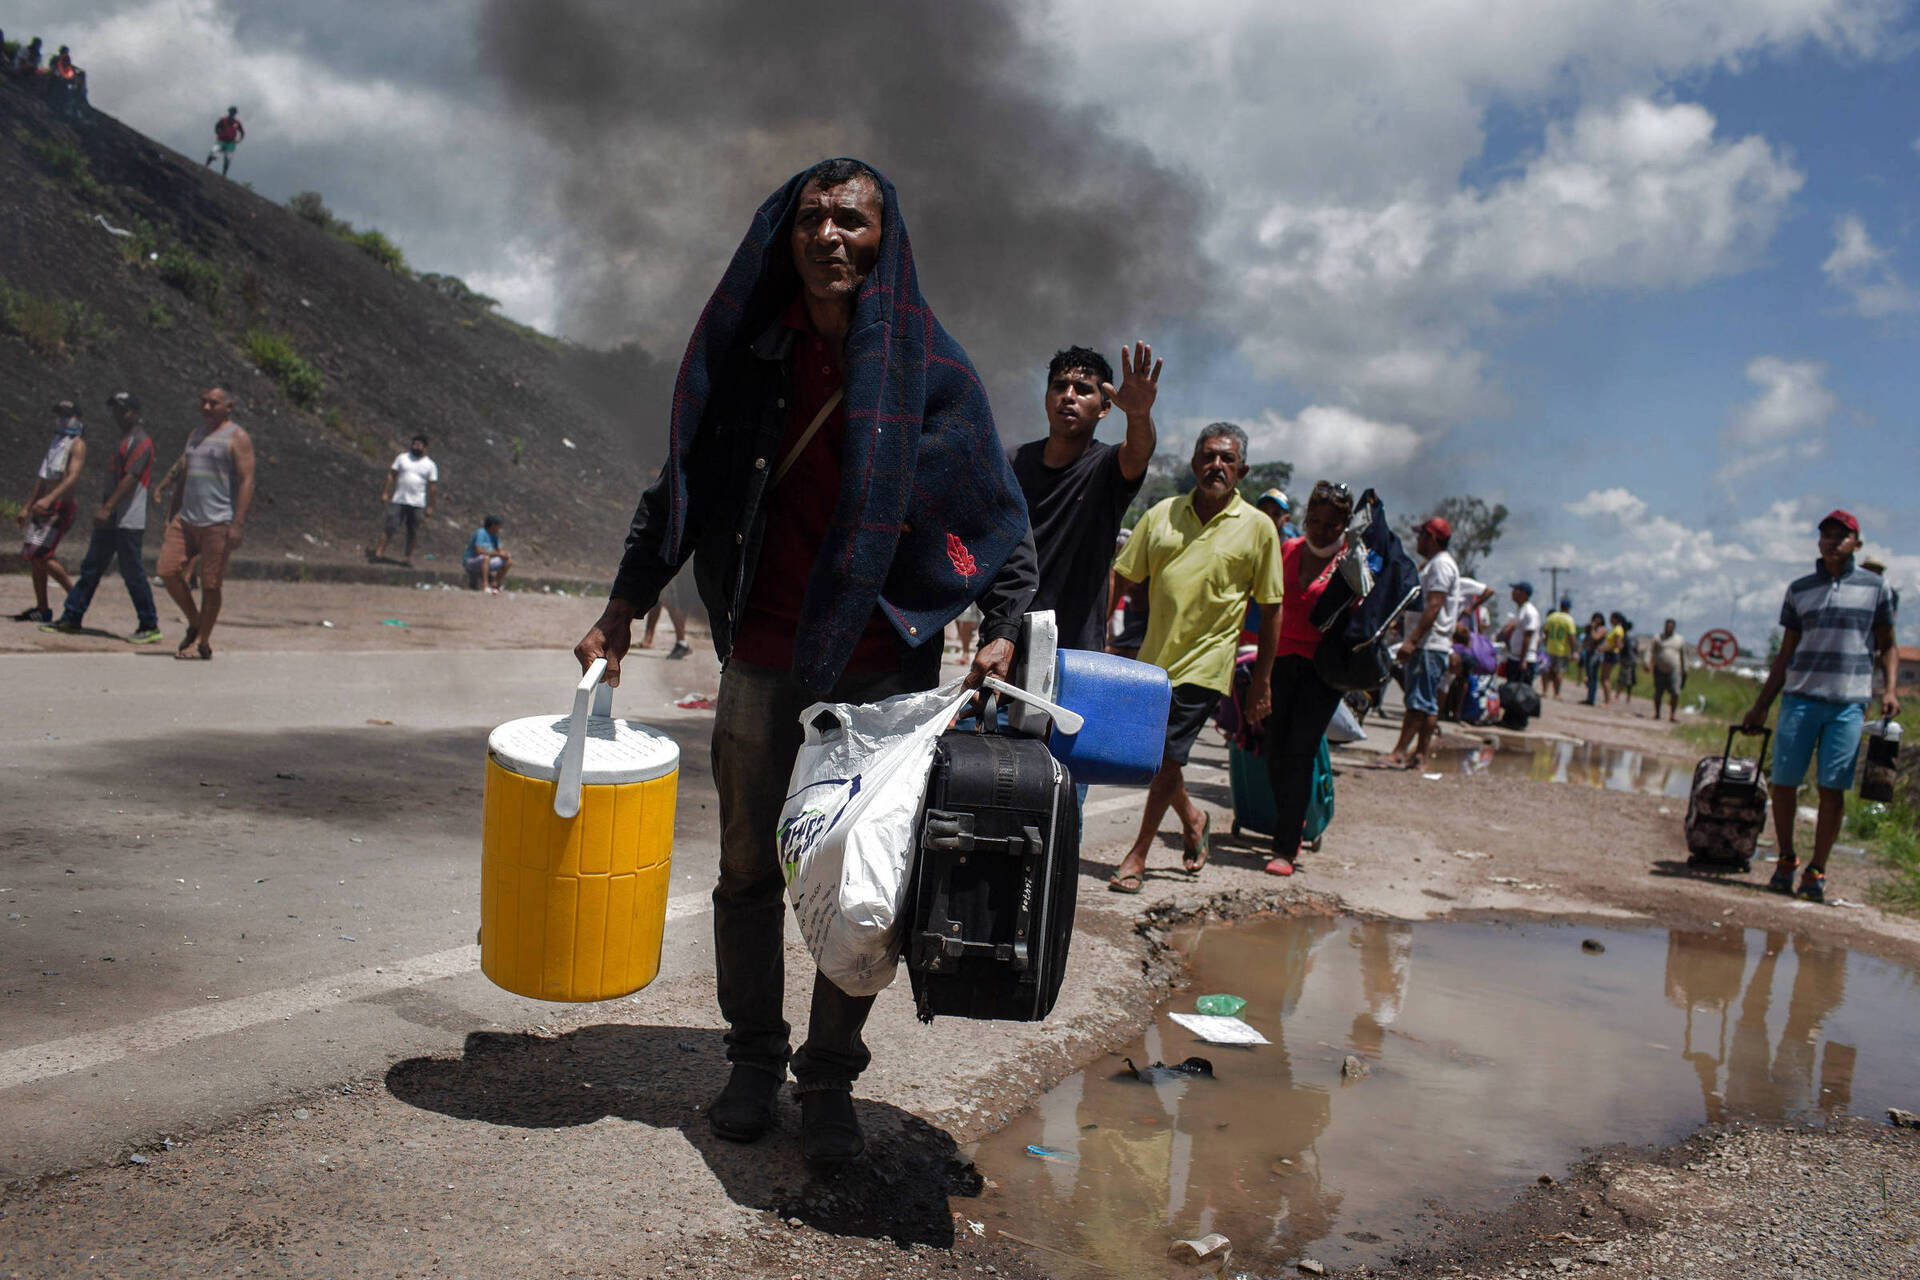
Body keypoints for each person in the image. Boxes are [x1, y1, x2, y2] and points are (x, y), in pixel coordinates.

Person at [570, 158, 1034, 1164]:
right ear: (786, 239)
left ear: (885, 238)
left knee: (858, 888)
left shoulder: (934, 372)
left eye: (853, 222)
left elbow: (1002, 519)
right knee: (748, 873)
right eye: (813, 220)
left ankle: (825, 1081)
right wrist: (621, 606)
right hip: (763, 659)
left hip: (881, 679)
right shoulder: (756, 359)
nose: (832, 237)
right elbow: (679, 491)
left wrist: (1000, 624)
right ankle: (751, 1058)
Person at [1106, 423, 1284, 891]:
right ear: (1193, 463)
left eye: (1226, 459)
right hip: (1152, 663)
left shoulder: (1259, 528)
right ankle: (1193, 818)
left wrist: (1262, 681)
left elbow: (1271, 611)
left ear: (1241, 469)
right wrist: (1101, 633)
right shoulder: (1162, 514)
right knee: (1158, 758)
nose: (1216, 466)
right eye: (1208, 457)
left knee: (1166, 755)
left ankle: (1138, 853)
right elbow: (1122, 577)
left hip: (1209, 663)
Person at [1744, 510, 1899, 904]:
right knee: (1783, 784)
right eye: (1826, 536)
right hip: (1799, 698)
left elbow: (1888, 644)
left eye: (1841, 536)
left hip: (1849, 703)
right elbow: (1786, 652)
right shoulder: (1800, 590)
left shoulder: (1877, 589)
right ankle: (1785, 859)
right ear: (1819, 544)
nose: (1832, 542)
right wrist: (1763, 704)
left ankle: (1816, 870)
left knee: (1833, 788)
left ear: (1856, 544)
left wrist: (1890, 690)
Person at [1009, 342, 1159, 653]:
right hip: (1006, 638)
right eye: (1060, 386)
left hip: (1074, 648)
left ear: (1105, 408)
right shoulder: (1011, 464)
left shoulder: (1107, 468)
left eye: (1082, 389)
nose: (1068, 396)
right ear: (1047, 398)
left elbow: (1138, 453)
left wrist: (1139, 415)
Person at [1259, 480, 1355, 876]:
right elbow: (1267, 607)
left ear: (1344, 525)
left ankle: (1286, 846)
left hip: (1323, 670)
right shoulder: (1287, 551)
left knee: (1299, 751)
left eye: (1330, 525)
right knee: (1272, 749)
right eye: (1313, 521)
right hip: (1280, 661)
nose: (1320, 530)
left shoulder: (1352, 564)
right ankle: (1294, 820)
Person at [41, 393, 162, 642]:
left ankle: (149, 624)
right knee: (92, 567)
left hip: (127, 518)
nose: (119, 414)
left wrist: (107, 507)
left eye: (125, 410)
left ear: (136, 413)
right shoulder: (125, 440)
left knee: (133, 572)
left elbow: (130, 478)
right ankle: (72, 616)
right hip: (112, 518)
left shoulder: (141, 441)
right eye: (116, 409)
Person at [158, 387, 254, 660]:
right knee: (166, 570)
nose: (207, 407)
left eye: (214, 403)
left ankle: (201, 640)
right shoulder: (195, 434)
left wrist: (238, 523)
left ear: (229, 406)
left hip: (218, 522)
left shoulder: (237, 437)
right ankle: (195, 620)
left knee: (211, 584)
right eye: (204, 402)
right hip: (187, 518)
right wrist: (170, 514)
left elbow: (248, 480)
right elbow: (185, 476)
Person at [1383, 516, 1460, 770]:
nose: (1417, 540)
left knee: (1417, 702)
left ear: (1433, 539)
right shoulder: (1435, 564)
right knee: (1427, 704)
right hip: (1431, 643)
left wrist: (1412, 640)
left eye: (1422, 535)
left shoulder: (1440, 566)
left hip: (1428, 644)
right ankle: (1420, 756)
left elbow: (1434, 605)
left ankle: (1398, 753)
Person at [15, 399, 88, 622]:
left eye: (68, 415)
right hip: (43, 508)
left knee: (43, 556)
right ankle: (42, 608)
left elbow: (72, 477)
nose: (64, 419)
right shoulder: (56, 443)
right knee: (35, 558)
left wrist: (49, 499)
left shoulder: (77, 445)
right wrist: (28, 506)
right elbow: (44, 478)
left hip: (59, 507)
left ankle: (76, 600)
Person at [369, 435, 438, 564]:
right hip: (399, 499)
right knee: (390, 526)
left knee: (413, 531)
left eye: (418, 445)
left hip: (418, 502)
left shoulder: (430, 465)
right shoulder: (402, 458)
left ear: (425, 447)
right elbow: (391, 475)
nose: (415, 447)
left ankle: (407, 558)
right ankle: (378, 553)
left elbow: (432, 488)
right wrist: (385, 492)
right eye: (414, 444)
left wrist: (430, 506)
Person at [639, 575, 690, 659]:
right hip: (664, 568)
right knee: (657, 599)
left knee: (670, 602)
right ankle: (647, 639)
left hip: (669, 568)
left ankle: (682, 642)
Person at [1499, 581, 1540, 686]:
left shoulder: (1530, 612)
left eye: (1515, 590)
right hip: (1514, 657)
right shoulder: (1521, 610)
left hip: (1524, 659)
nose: (1512, 593)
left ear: (1523, 593)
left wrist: (1523, 660)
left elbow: (1528, 636)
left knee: (1522, 693)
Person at [1648, 618, 1687, 722]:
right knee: (1658, 692)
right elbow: (1650, 651)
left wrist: (1685, 670)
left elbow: (1684, 656)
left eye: (1671, 626)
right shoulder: (1658, 638)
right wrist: (1647, 663)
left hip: (1675, 669)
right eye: (1667, 626)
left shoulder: (1679, 639)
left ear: (1674, 627)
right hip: (1659, 668)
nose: (1669, 628)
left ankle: (1672, 715)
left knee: (1675, 692)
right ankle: (1657, 713)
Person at [1541, 596, 1577, 700]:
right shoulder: (1569, 620)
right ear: (1569, 608)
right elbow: (1571, 636)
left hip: (1549, 648)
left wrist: (1547, 643)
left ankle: (1544, 691)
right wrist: (1573, 650)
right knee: (1559, 672)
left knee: (1547, 670)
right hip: (1562, 651)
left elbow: (1546, 633)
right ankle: (1556, 693)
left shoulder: (1552, 617)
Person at [463, 516, 510, 592]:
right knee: (486, 558)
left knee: (508, 561)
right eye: (498, 526)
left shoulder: (494, 536)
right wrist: (498, 554)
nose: (500, 528)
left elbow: (500, 551)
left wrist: (505, 554)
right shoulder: (481, 533)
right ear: (493, 525)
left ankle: (494, 583)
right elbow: (479, 551)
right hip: (471, 561)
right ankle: (485, 585)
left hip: (486, 562)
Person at [205, 106, 245, 176]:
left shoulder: (237, 123)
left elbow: (242, 132)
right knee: (213, 153)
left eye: (234, 112)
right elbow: (217, 127)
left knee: (227, 158)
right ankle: (206, 166)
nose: (232, 113)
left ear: (235, 113)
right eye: (231, 112)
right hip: (221, 140)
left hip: (231, 142)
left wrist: (239, 140)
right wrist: (218, 132)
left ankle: (224, 174)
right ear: (229, 112)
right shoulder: (223, 120)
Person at [1580, 611, 1608, 705]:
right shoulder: (1591, 629)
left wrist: (1592, 629)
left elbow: (1595, 637)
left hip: (1596, 655)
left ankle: (1591, 698)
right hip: (1588, 653)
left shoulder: (1602, 629)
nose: (1596, 620)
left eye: (1598, 618)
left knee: (1593, 676)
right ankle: (1589, 697)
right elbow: (1586, 639)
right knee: (1589, 675)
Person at [1614, 616, 1638, 704]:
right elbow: (1636, 649)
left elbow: (1621, 647)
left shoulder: (1625, 636)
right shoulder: (1634, 636)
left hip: (1626, 660)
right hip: (1633, 660)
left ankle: (1617, 696)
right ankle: (1628, 697)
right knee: (1630, 680)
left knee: (1622, 679)